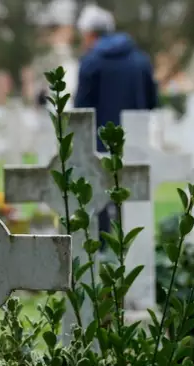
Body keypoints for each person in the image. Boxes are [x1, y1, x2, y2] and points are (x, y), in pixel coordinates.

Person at [74, 4, 158, 247]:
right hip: (135, 142)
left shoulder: (91, 62)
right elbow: (152, 101)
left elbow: (82, 109)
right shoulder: (141, 61)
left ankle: (101, 246)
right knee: (131, 198)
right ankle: (133, 246)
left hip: (100, 142)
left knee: (100, 196)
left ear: (90, 34)